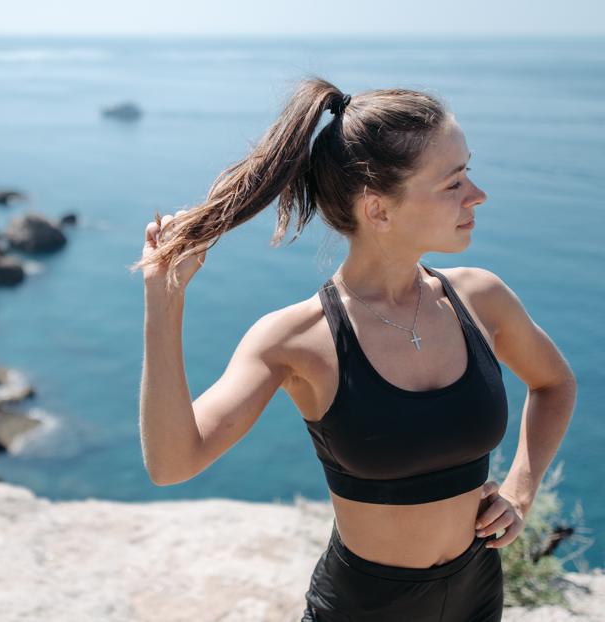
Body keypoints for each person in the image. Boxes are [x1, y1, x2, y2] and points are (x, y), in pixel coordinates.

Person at [131, 77, 577, 621]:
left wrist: (521, 493)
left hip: (476, 594)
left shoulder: (482, 298)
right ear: (378, 211)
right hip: (362, 609)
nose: (477, 194)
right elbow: (172, 462)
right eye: (453, 181)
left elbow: (554, 384)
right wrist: (165, 303)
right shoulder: (296, 340)